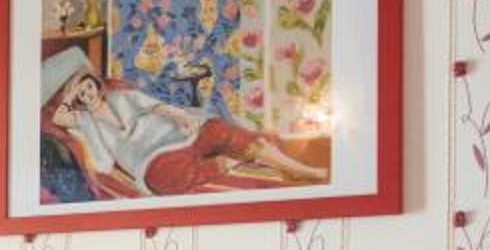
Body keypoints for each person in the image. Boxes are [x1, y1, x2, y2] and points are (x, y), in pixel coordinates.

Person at [40, 49, 325, 201]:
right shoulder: (84, 121)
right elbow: (57, 119)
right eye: (82, 93)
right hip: (151, 158)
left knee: (222, 132)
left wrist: (182, 117)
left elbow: (155, 106)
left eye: (89, 87)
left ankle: (301, 169)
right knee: (164, 180)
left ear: (96, 84)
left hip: (172, 132)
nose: (88, 94)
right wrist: (70, 92)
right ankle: (229, 161)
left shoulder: (121, 96)